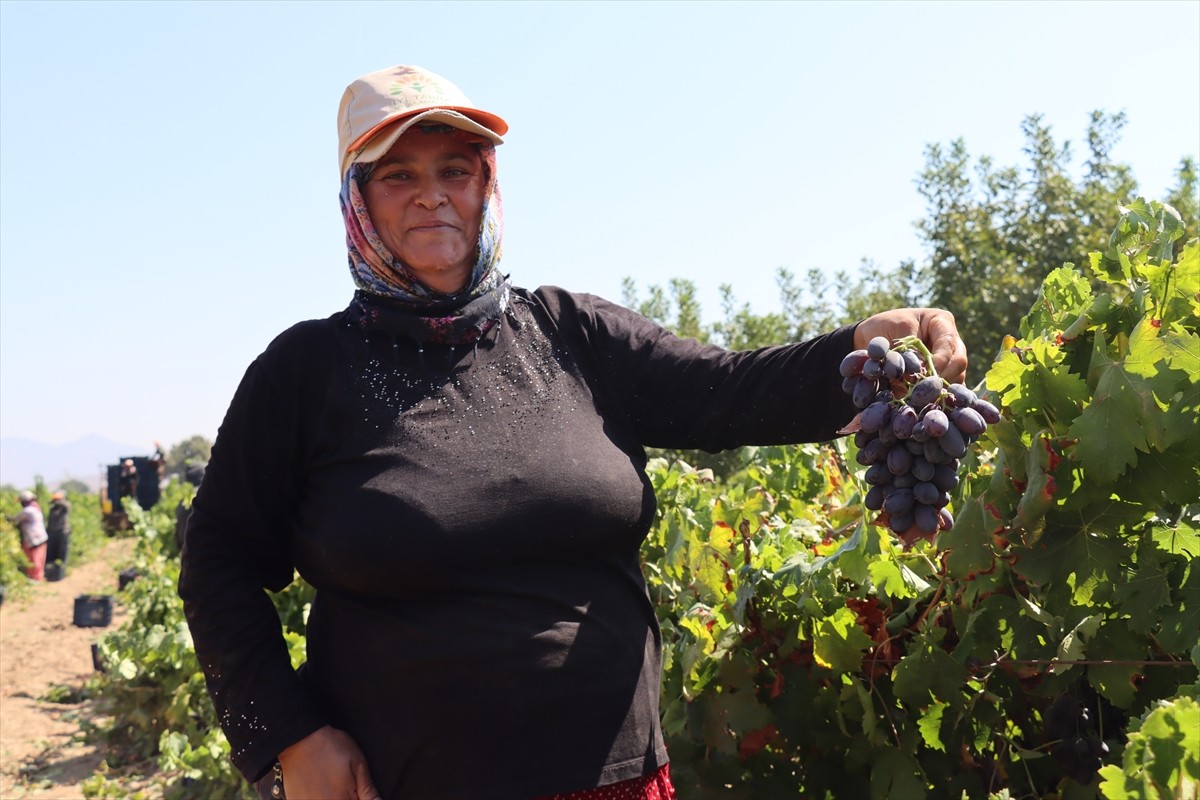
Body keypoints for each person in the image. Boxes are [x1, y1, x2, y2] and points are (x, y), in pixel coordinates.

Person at [178, 64, 968, 800]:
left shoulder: (571, 333)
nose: (431, 196)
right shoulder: (306, 371)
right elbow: (218, 561)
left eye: (455, 169)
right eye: (398, 176)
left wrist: (861, 341)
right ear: (359, 199)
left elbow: (729, 391)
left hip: (615, 779)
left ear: (487, 185)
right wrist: (289, 736)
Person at [9, 490, 48, 581]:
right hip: (41, 537)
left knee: (34, 559)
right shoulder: (35, 508)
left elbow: (15, 519)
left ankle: (35, 578)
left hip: (34, 539)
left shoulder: (28, 511)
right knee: (40, 558)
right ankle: (39, 576)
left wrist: (6, 518)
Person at [45, 490, 72, 577]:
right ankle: (52, 570)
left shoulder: (65, 507)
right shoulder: (52, 509)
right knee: (52, 552)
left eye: (58, 499)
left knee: (63, 552)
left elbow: (66, 506)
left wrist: (59, 502)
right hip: (53, 533)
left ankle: (63, 569)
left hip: (62, 532)